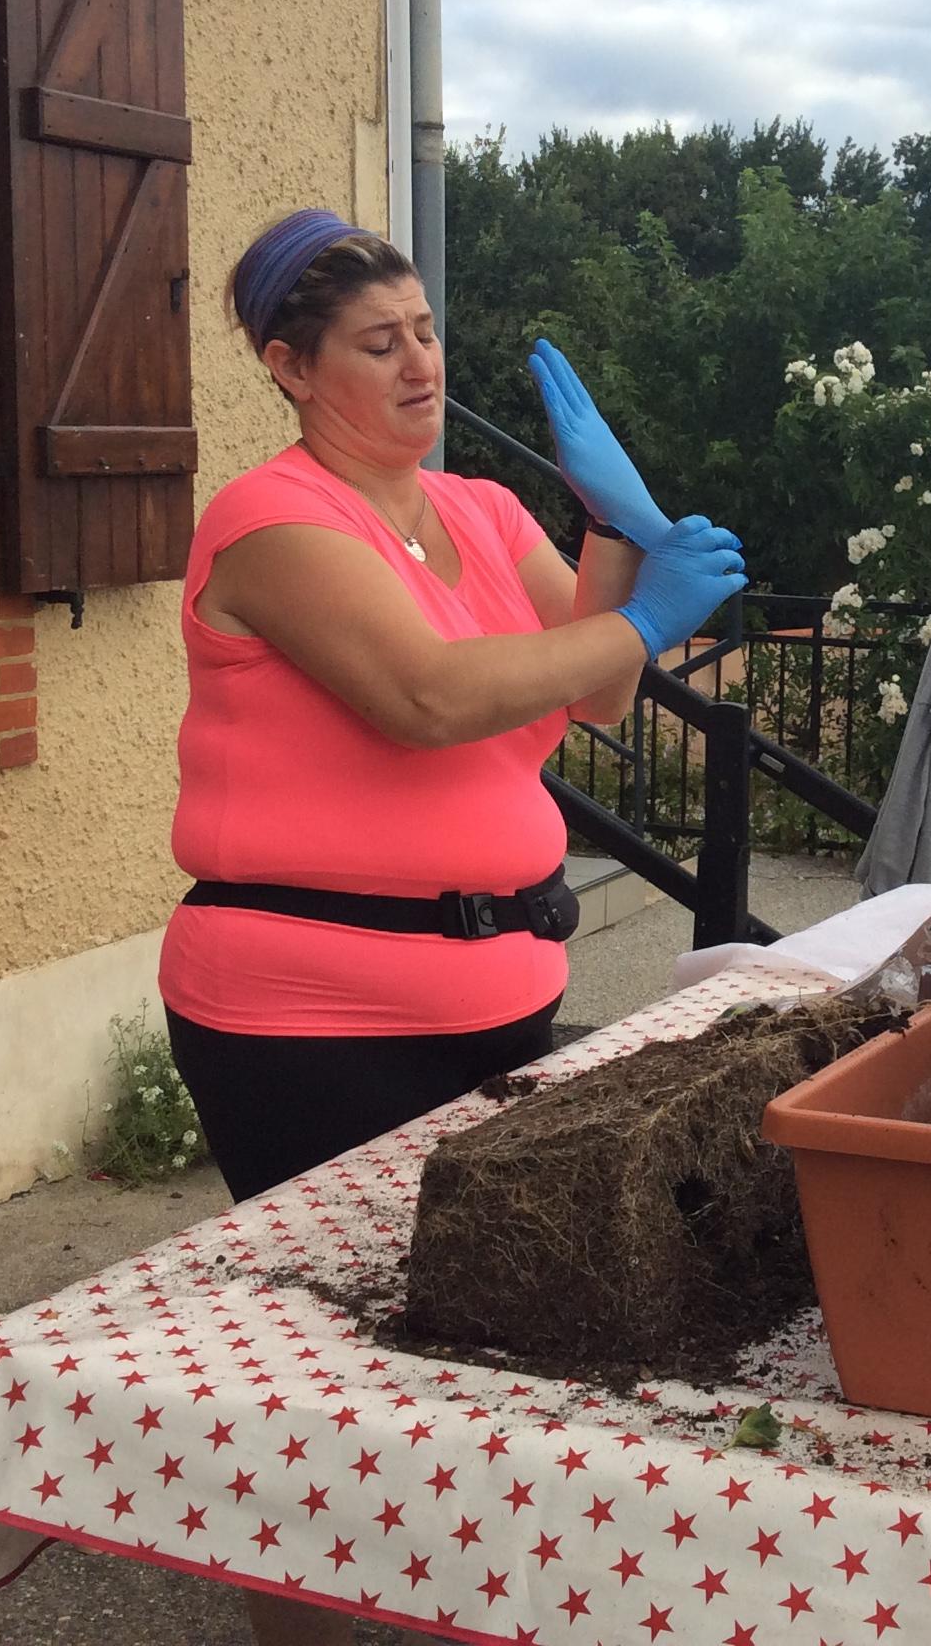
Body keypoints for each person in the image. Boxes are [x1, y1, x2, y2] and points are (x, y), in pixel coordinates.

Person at [159, 209, 743, 1646]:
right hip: (306, 1013)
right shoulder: (274, 519)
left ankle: (435, 1597)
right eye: (378, 343)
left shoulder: (476, 510)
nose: (421, 361)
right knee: (326, 1356)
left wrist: (615, 534)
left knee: (465, 1331)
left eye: (425, 330)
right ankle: (304, 1613)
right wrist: (651, 609)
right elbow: (426, 698)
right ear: (292, 369)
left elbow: (589, 687)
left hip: (488, 990)